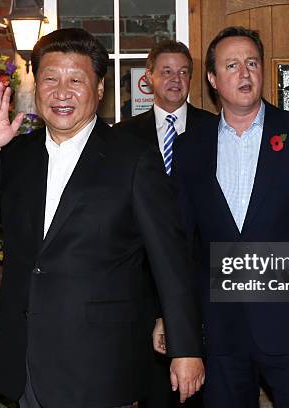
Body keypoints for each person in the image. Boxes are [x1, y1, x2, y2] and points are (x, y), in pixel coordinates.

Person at [0, 28, 204, 408]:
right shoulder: (16, 156)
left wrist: (185, 349)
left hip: (101, 365)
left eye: (76, 80)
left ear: (99, 90)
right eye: (50, 78)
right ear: (35, 87)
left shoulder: (134, 159)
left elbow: (170, 259)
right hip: (27, 364)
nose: (61, 92)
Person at [168, 26, 289, 407]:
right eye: (232, 65)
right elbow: (179, 243)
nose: (244, 72)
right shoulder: (191, 147)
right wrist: (171, 318)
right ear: (212, 79)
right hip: (219, 332)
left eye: (252, 63)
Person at [114, 40, 214, 408]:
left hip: (201, 280)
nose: (176, 79)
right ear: (149, 78)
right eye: (167, 71)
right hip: (140, 283)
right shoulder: (122, 136)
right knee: (152, 391)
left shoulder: (214, 131)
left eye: (184, 72)